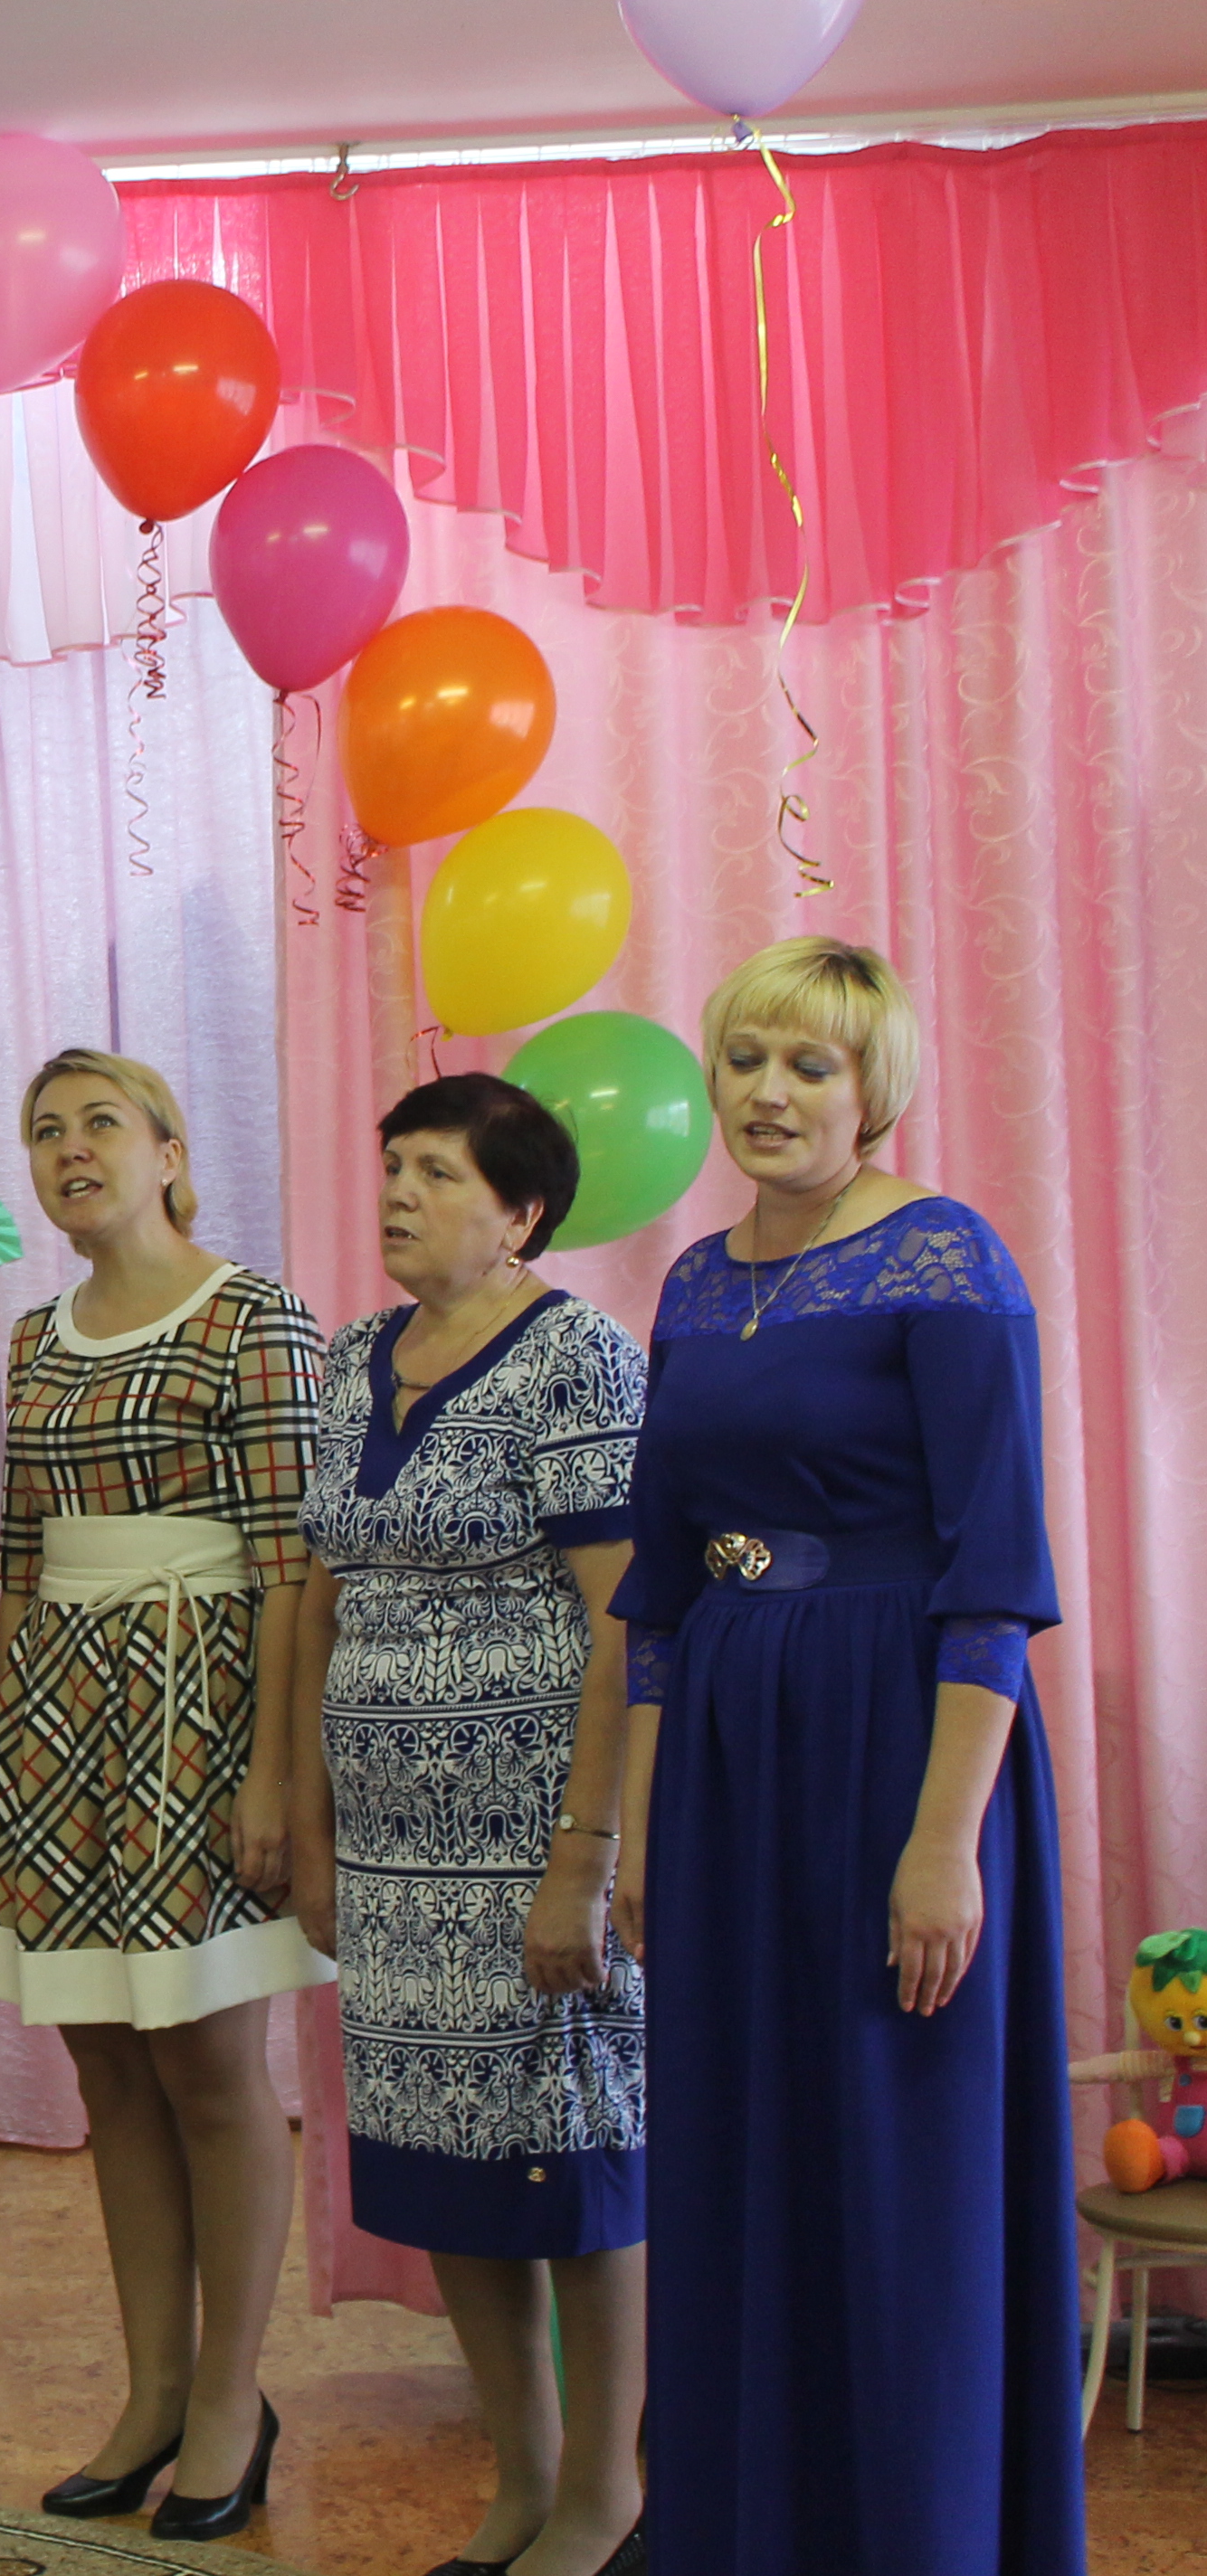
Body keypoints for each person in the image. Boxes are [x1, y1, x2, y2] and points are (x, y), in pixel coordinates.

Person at [610, 940, 1079, 2576]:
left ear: (873, 1089)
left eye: (810, 1065)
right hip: (729, 1747)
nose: (770, 1091)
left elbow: (995, 1576)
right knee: (739, 2150)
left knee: (896, 2164)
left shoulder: (946, 1260)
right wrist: (645, 1833)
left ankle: (919, 2538)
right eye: (746, 1059)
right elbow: (657, 1592)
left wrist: (946, 1843)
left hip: (899, 1743)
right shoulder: (692, 1283)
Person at [286, 1074, 649, 2576]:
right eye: (393, 1165)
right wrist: (308, 1819)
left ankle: (607, 2497)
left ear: (521, 1214)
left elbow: (628, 1618)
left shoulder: (579, 1355)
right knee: (444, 2166)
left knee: (571, 2165)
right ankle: (524, 2481)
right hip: (389, 1858)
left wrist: (586, 1858)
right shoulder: (353, 1356)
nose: (398, 1192)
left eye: (437, 1172)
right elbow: (319, 1598)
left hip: (529, 1845)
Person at [0, 1048, 322, 2545]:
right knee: (107, 2070)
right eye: (45, 1132)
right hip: (66, 1722)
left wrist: (276, 1774)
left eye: (100, 1124)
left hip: (203, 1710)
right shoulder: (36, 1336)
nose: (71, 1150)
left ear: (170, 1152)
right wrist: (13, 1748)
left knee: (210, 2066)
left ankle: (234, 2395)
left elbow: (296, 1564)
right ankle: (154, 2389)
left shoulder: (253, 1315)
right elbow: (20, 1554)